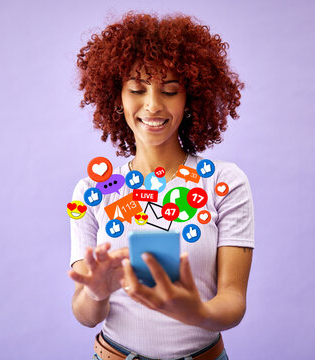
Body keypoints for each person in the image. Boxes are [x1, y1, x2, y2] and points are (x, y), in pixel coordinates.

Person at [68, 12, 254, 360]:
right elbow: (84, 315)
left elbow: (234, 301)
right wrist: (95, 293)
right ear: (117, 97)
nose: (153, 104)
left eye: (170, 91)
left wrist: (194, 311)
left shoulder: (225, 182)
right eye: (137, 89)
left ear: (190, 99)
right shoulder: (93, 191)